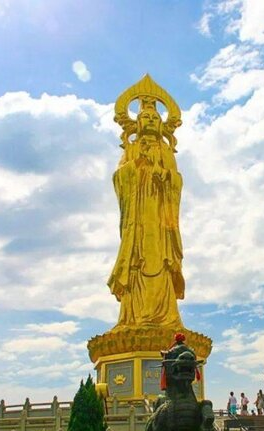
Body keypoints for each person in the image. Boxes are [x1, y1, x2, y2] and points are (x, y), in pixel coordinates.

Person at [108, 86, 185, 330]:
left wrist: (163, 175)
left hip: (161, 219)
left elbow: (176, 180)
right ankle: (133, 316)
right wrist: (135, 168)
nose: (151, 120)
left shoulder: (164, 150)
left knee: (161, 260)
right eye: (146, 117)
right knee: (135, 260)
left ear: (162, 123)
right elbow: (119, 178)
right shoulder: (131, 149)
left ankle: (166, 318)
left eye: (154, 117)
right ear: (137, 122)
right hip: (139, 217)